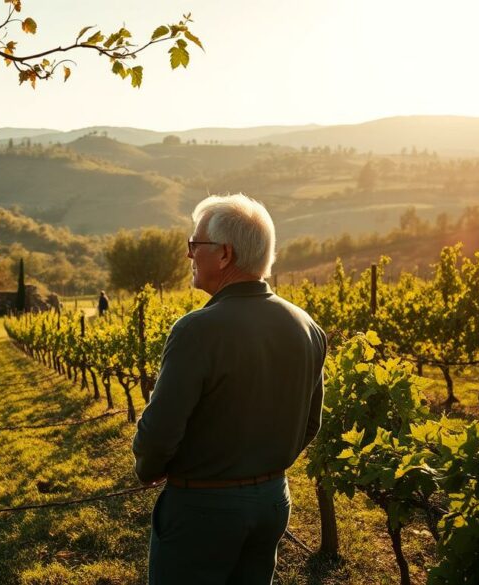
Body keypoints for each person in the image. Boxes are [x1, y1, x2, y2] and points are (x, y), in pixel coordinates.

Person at [132, 194, 326, 585]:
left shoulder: (196, 330)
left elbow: (160, 431)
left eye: (195, 245)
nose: (189, 255)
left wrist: (148, 469)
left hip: (202, 508)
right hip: (273, 501)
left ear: (224, 254)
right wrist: (264, 469)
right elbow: (310, 424)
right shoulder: (306, 326)